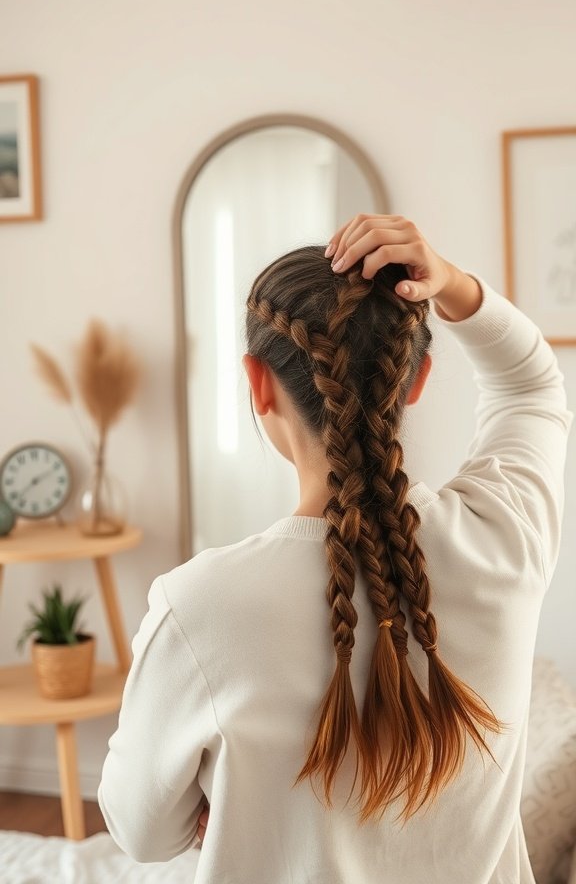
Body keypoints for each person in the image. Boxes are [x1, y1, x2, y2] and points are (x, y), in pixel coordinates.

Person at [98, 214, 572, 883]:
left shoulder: (198, 607)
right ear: (417, 379)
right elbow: (530, 384)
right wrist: (453, 283)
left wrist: (225, 799)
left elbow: (143, 831)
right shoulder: (505, 537)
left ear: (258, 383)